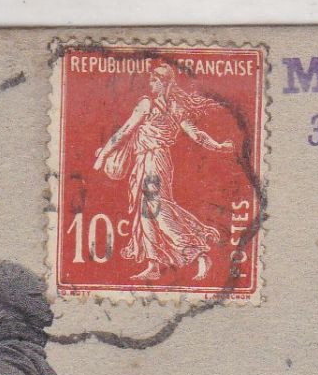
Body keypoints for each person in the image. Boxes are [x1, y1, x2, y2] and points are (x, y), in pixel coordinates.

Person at [93, 64, 236, 282]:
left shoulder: (149, 104)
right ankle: (153, 265)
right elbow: (195, 134)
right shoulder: (172, 106)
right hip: (149, 160)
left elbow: (125, 131)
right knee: (146, 213)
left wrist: (103, 155)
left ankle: (197, 251)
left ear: (164, 82)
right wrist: (217, 146)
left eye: (154, 80)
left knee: (157, 209)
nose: (150, 84)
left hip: (153, 160)